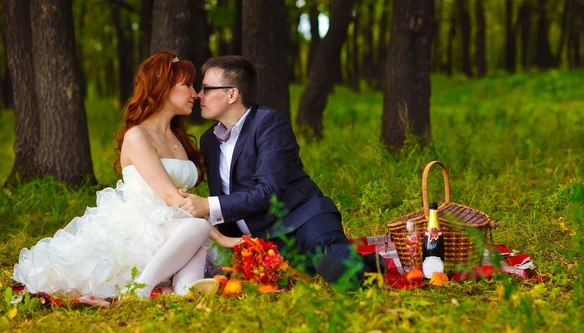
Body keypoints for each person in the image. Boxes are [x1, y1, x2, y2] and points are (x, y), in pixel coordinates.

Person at [13, 51, 239, 300]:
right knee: (197, 228)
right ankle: (139, 288)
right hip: (143, 223)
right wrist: (219, 236)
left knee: (193, 233)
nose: (195, 94)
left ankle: (183, 290)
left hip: (176, 225)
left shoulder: (178, 138)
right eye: (186, 85)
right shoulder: (137, 136)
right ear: (163, 88)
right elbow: (170, 196)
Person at [178, 55, 386, 287]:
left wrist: (209, 204)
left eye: (206, 88)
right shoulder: (209, 140)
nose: (198, 95)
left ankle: (356, 273)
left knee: (330, 253)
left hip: (301, 217)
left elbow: (269, 191)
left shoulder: (269, 124)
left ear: (232, 94)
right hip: (263, 238)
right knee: (298, 272)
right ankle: (368, 264)